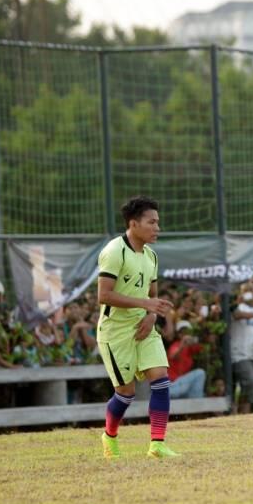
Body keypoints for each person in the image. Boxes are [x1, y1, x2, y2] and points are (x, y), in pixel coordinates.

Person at [96, 196, 178, 459]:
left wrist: (151, 316)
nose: (157, 228)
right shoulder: (114, 251)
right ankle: (109, 436)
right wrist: (146, 304)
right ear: (133, 224)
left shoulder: (152, 256)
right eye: (151, 222)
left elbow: (152, 295)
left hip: (144, 326)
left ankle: (157, 444)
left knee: (161, 379)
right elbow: (104, 296)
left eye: (158, 223)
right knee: (126, 393)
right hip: (115, 332)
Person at [166, 321, 207, 399]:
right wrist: (182, 344)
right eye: (182, 333)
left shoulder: (191, 348)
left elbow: (205, 345)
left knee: (199, 376)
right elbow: (173, 355)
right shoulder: (175, 345)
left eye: (187, 332)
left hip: (182, 386)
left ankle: (195, 407)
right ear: (179, 335)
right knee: (200, 373)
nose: (185, 335)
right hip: (172, 385)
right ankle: (196, 405)